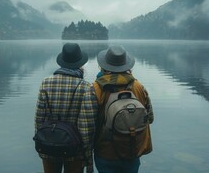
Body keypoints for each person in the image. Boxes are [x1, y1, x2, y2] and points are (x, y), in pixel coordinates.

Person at [35, 43, 98, 173]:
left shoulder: (46, 83)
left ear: (62, 62)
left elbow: (39, 119)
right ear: (80, 64)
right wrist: (87, 157)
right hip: (75, 150)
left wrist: (41, 142)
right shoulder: (86, 87)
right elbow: (86, 127)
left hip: (49, 145)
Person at [93, 45, 154, 173]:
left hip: (105, 151)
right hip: (132, 149)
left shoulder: (96, 88)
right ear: (127, 66)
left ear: (103, 66)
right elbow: (150, 118)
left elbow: (90, 122)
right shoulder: (138, 86)